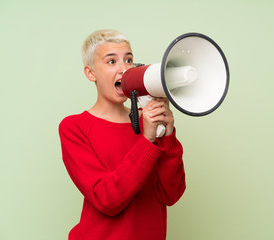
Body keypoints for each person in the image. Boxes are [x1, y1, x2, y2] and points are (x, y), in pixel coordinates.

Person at [58, 29, 186, 240]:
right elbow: (107, 200)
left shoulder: (148, 124)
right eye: (111, 61)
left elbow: (170, 194)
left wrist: (168, 135)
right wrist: (147, 140)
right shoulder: (74, 127)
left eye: (128, 60)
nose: (124, 69)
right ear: (91, 73)